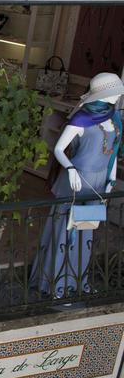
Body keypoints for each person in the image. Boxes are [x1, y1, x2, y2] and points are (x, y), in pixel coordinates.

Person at [32, 73, 123, 297]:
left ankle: (76, 280)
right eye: (116, 91)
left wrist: (110, 180)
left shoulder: (113, 118)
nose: (120, 94)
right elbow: (59, 149)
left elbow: (112, 154)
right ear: (106, 94)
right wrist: (70, 169)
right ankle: (55, 283)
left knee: (85, 234)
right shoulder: (81, 119)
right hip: (77, 180)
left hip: (98, 182)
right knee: (65, 232)